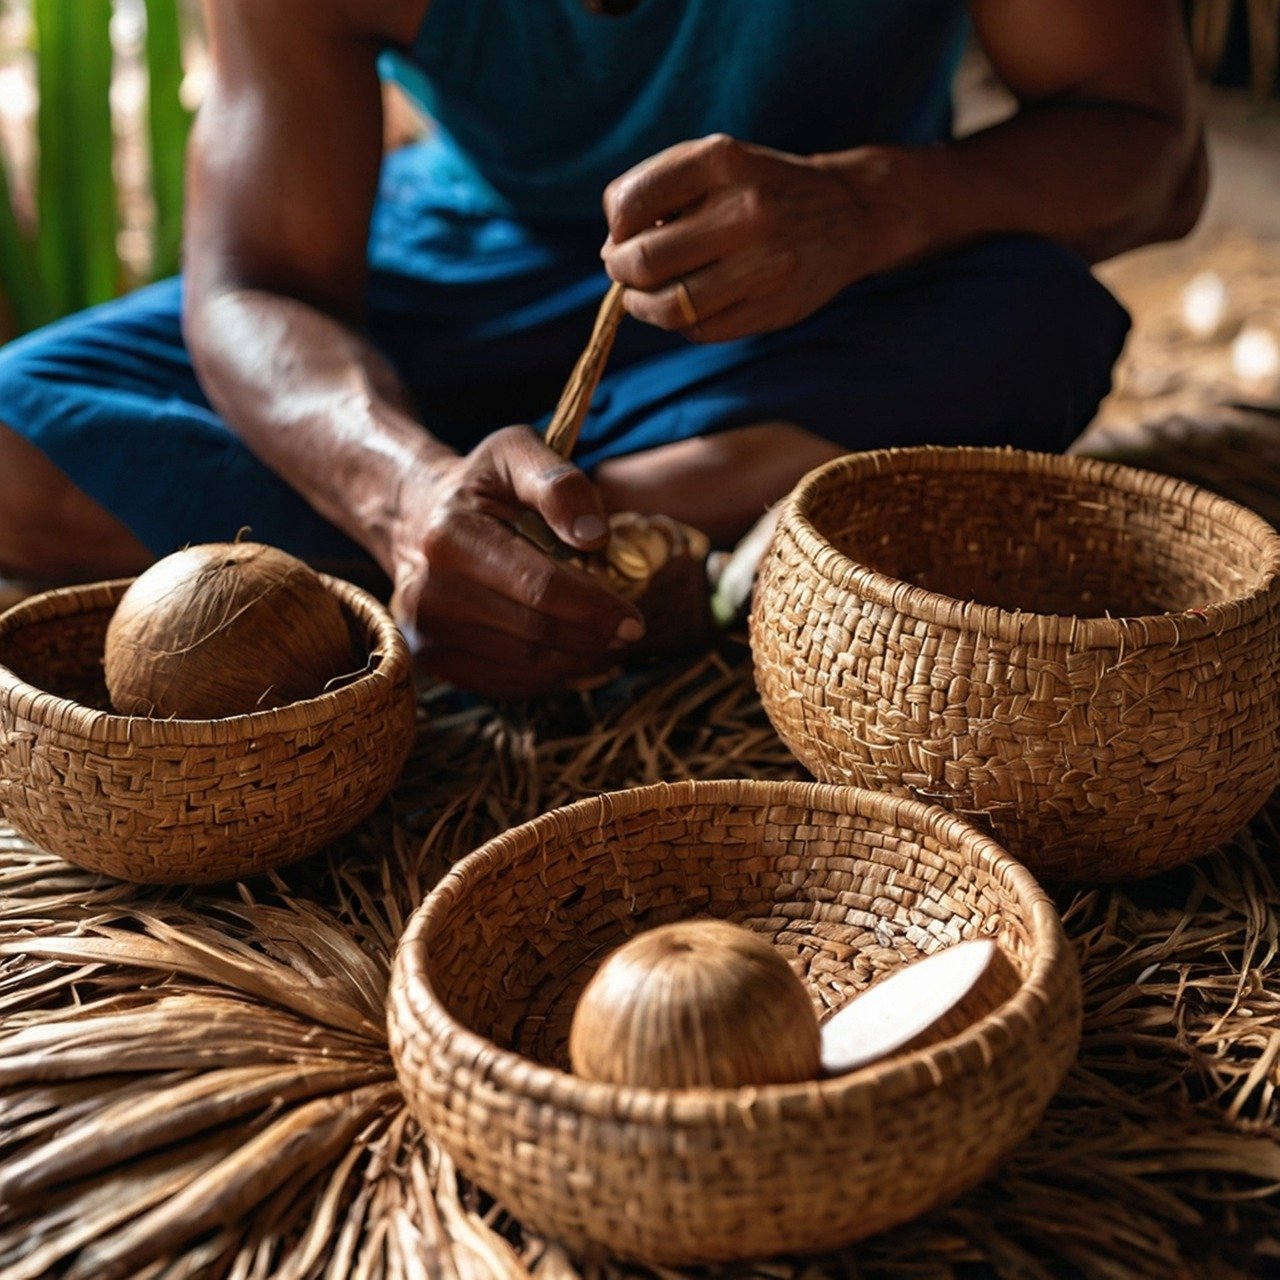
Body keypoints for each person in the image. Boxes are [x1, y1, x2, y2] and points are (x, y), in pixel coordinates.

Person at [0, 0, 1205, 697]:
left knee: (1026, 315)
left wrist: (870, 207)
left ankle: (561, 552)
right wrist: (407, 497)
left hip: (840, 276)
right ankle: (617, 554)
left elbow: (1151, 153)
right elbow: (257, 281)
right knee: (22, 432)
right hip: (461, 264)